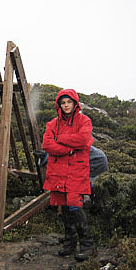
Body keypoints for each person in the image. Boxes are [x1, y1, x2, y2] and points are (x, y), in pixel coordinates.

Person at [42, 89, 96, 261]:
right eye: (63, 103)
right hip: (58, 172)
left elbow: (84, 140)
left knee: (75, 205)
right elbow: (47, 145)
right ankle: (70, 243)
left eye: (69, 102)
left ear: (75, 103)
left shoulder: (84, 120)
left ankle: (88, 246)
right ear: (59, 105)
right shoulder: (52, 124)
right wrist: (70, 148)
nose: (66, 105)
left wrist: (61, 139)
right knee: (64, 206)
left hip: (76, 171)